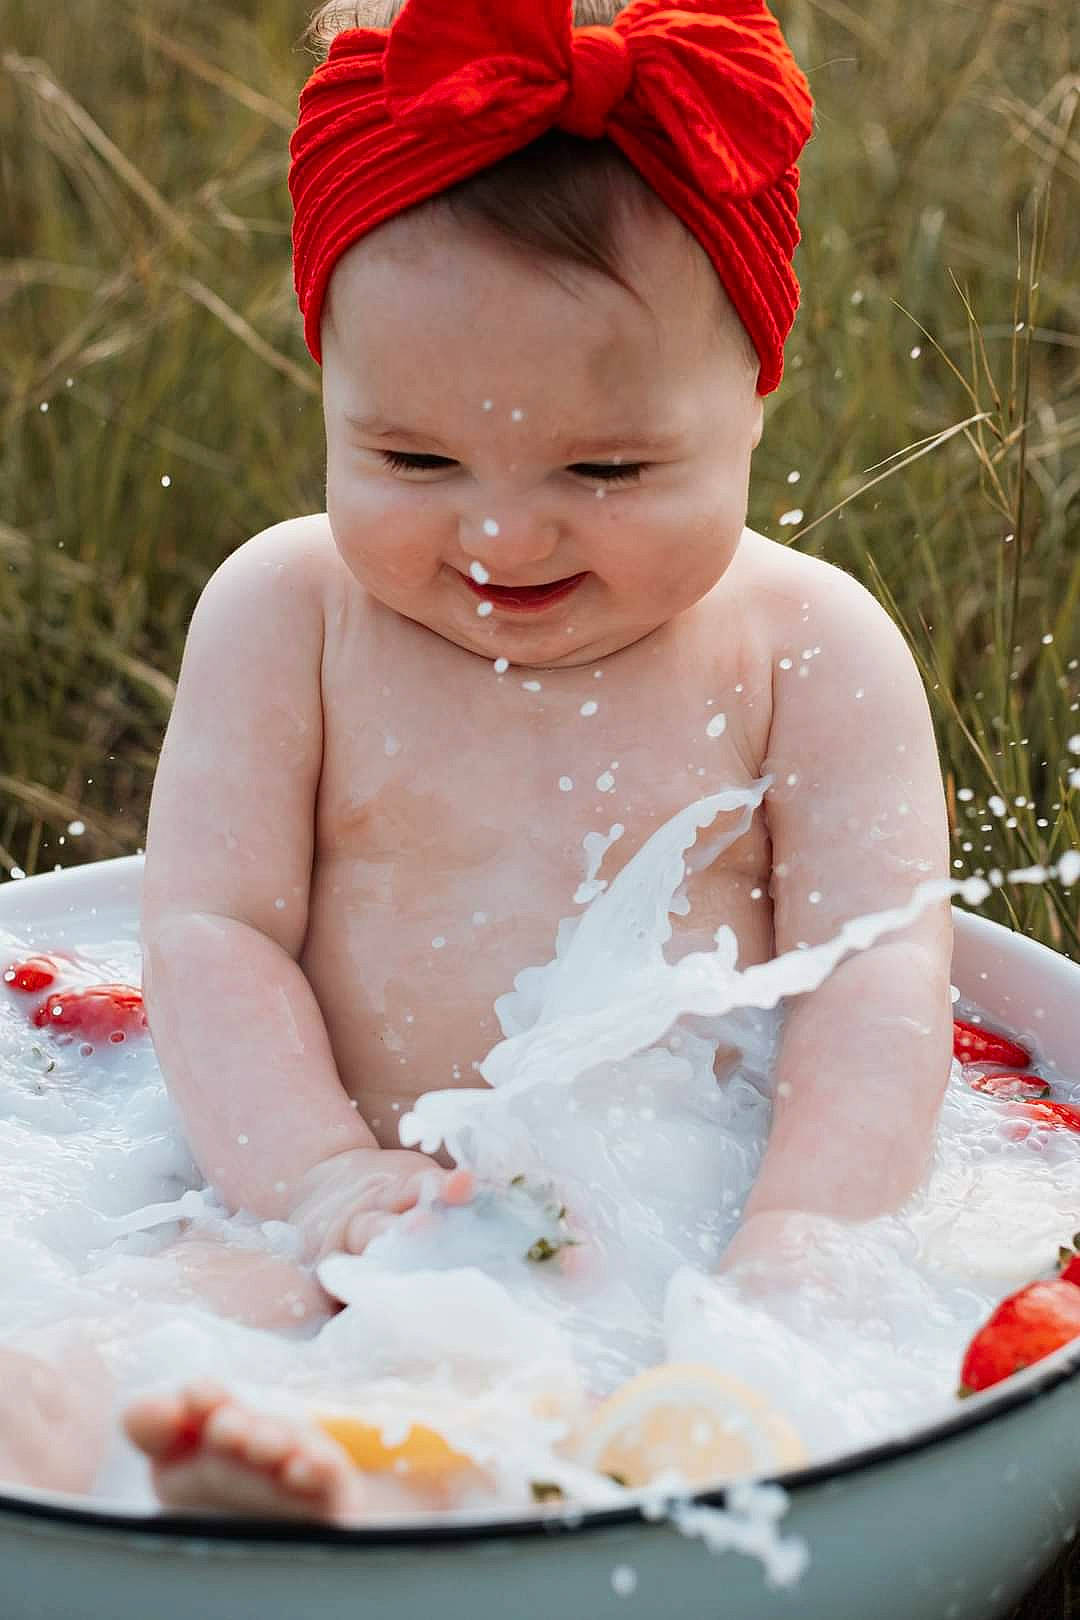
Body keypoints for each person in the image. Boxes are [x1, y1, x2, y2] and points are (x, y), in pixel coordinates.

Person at [5, 0, 953, 1520]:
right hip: (319, 1190)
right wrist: (315, 1178)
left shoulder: (810, 649)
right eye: (416, 461)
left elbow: (878, 981)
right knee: (160, 1302)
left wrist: (798, 1246)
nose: (504, 534)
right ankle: (87, 1444)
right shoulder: (288, 613)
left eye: (607, 468)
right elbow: (212, 930)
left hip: (678, 1233)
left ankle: (397, 1486)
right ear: (325, 385)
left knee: (708, 1398)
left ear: (757, 394)